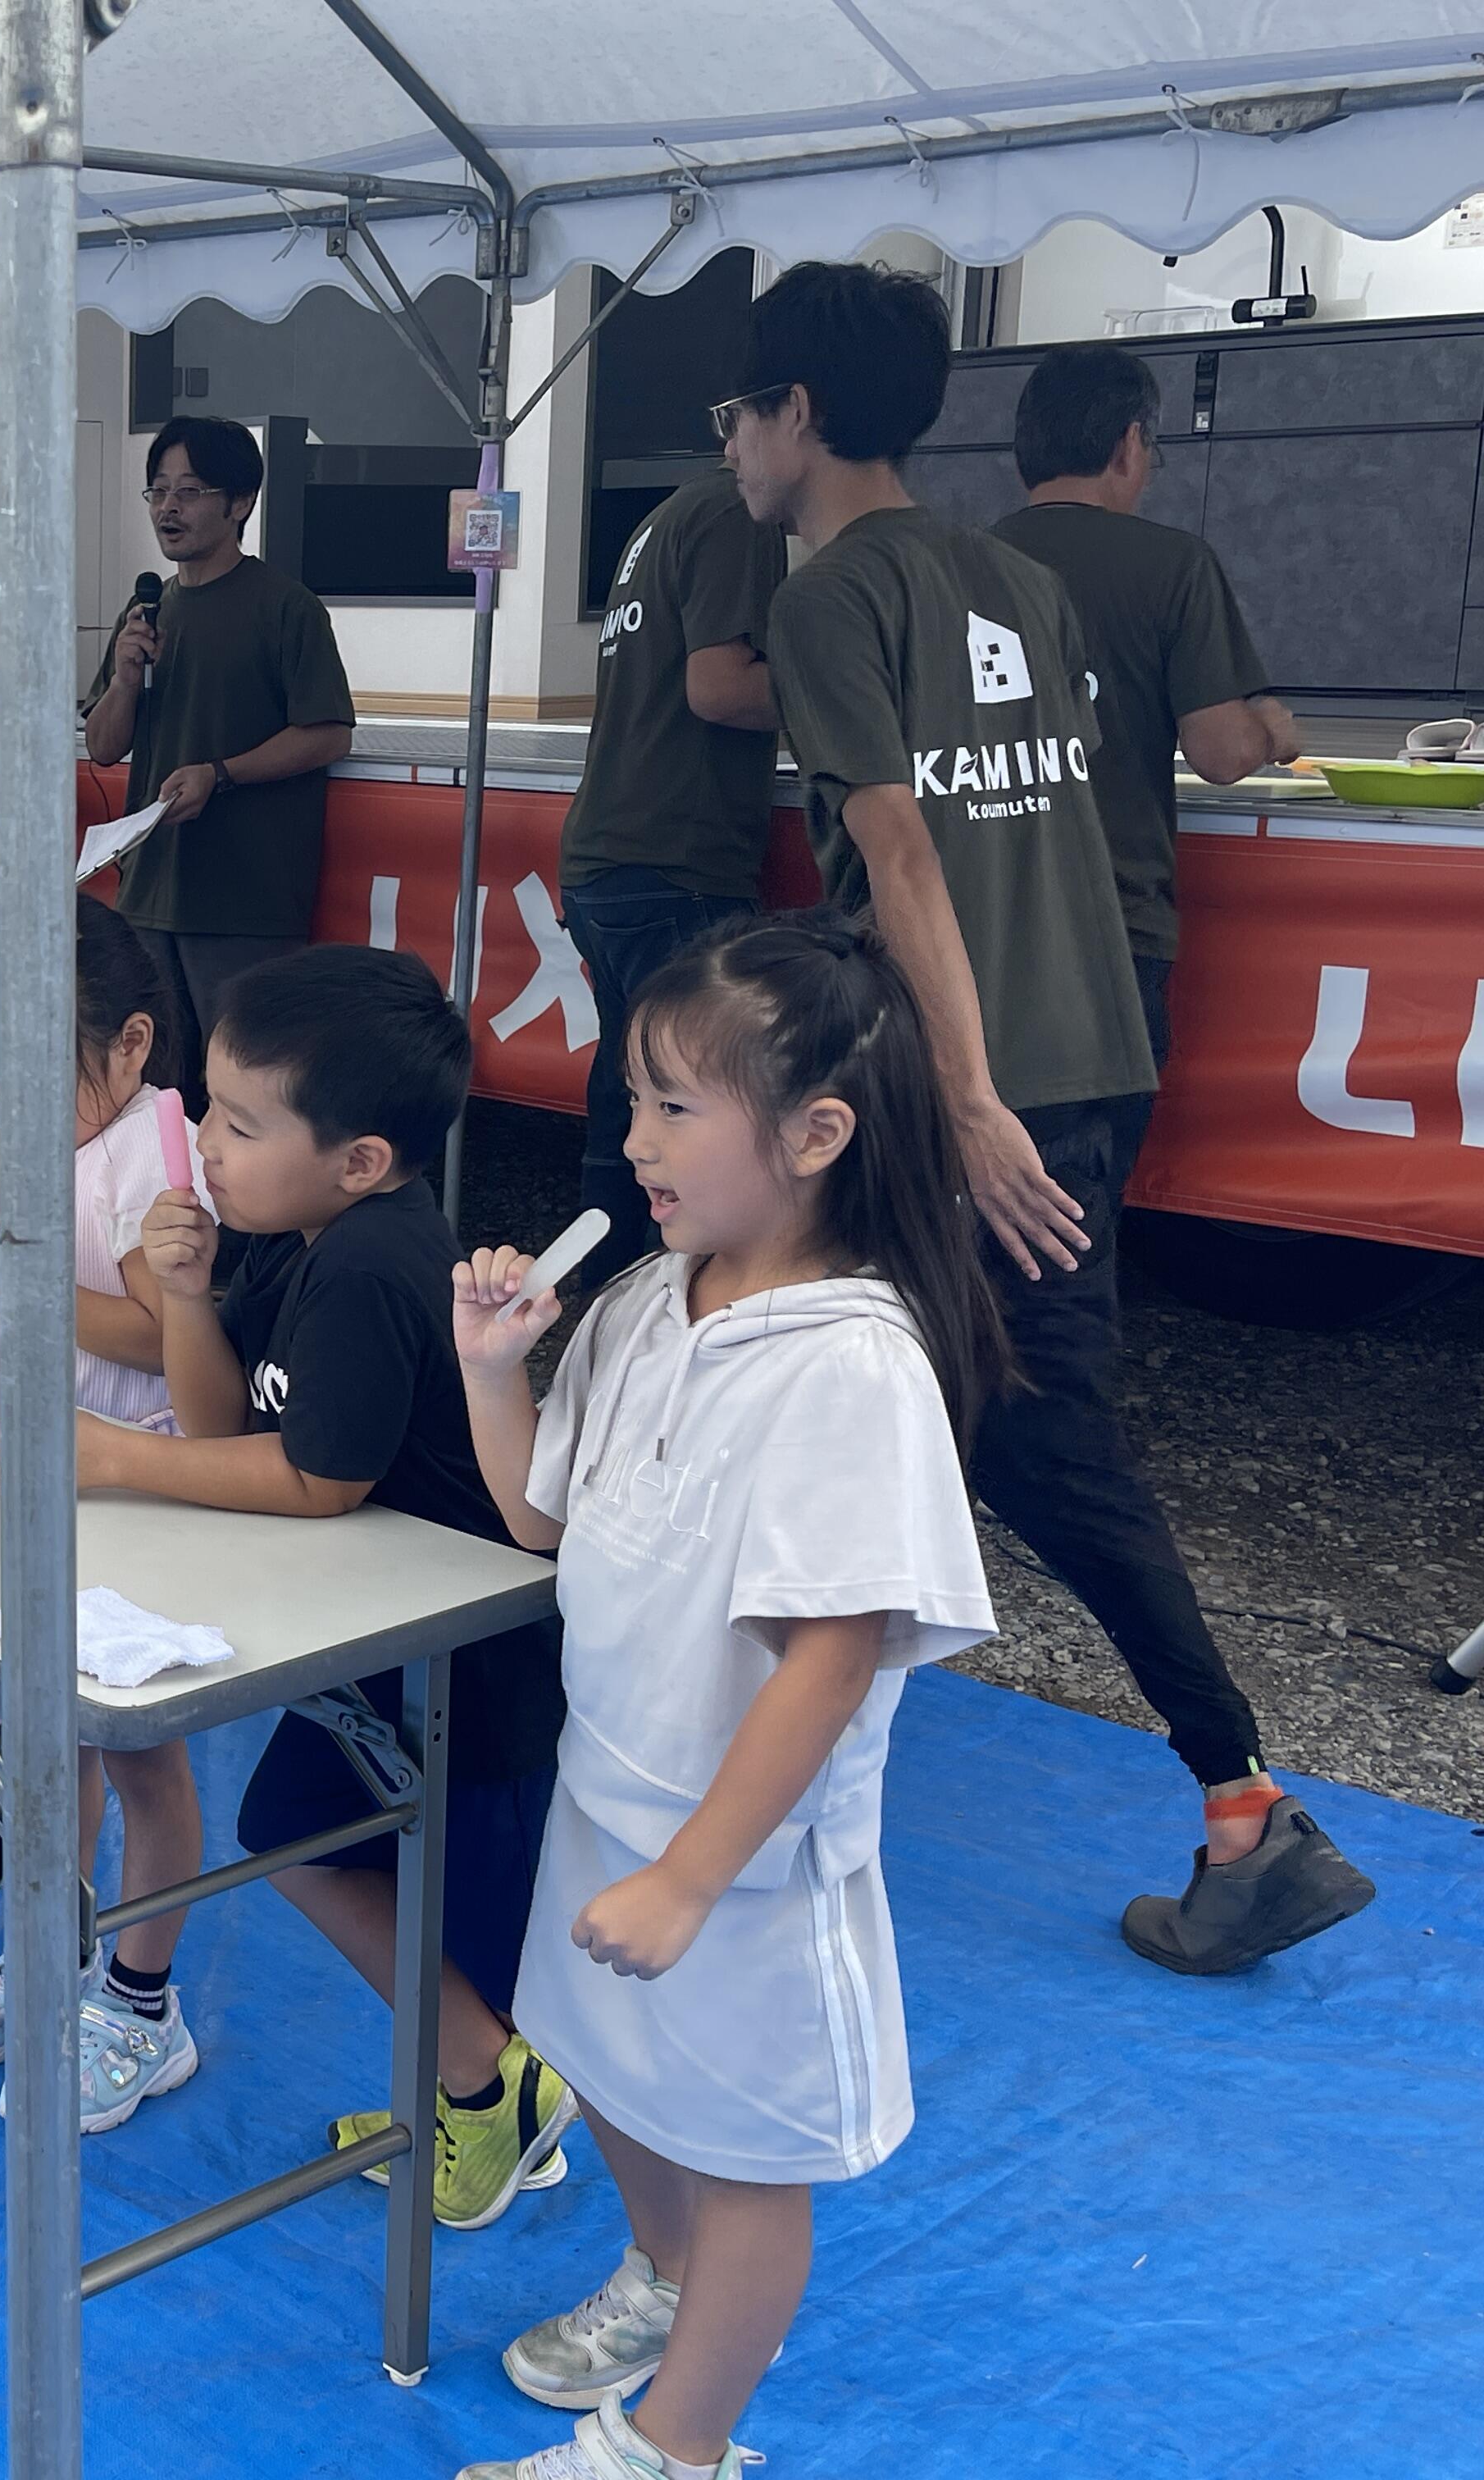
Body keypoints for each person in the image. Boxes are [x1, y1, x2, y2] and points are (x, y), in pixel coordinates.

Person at [724, 260, 1372, 1975]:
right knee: (889, 1390)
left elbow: (904, 846)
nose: (728, 445)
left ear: (797, 414)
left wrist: (964, 1098)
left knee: (1014, 1429)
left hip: (980, 1083)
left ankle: (1240, 1802)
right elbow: (1049, 827)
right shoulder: (1013, 579)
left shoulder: (830, 598)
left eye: (737, 411)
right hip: (1080, 1048)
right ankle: (789, 1732)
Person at [447, 914, 1002, 2480]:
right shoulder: (642, 1300)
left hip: (742, 1861)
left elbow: (831, 1653)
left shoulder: (851, 1366)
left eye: (675, 1105)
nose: (634, 1140)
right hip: (606, 1790)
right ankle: (660, 2270)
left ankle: (673, 2447)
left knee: (749, 2155)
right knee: (614, 2068)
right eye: (632, 1098)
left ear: (816, 1134)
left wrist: (693, 1875)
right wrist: (492, 1366)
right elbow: (538, 1517)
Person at [71, 945, 575, 2210]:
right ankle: (487, 2088)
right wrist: (187, 1294)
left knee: (450, 1904)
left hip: (469, 1657)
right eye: (209, 1110)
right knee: (304, 1836)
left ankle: (491, 2093)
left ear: (359, 1159)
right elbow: (228, 1421)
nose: (205, 1145)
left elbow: (317, 1478)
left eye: (241, 1126)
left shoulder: (369, 1263)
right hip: (377, 1633)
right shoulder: (297, 1237)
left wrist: (115, 1457)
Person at [0, 898, 212, 2133]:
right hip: (13, 1465)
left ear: (132, 1045)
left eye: (44, 1072)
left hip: (136, 1478)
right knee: (37, 1734)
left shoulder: (153, 1153)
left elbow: (164, 1339)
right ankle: (52, 1950)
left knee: (135, 1742)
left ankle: (141, 1999)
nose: (13, 1101)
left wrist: (13, 1280)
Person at [992, 342, 1302, 1178]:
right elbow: (1222, 753)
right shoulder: (1172, 565)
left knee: (970, 1190)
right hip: (1111, 930)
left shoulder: (955, 565)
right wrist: (1272, 728)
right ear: (1130, 445)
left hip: (976, 928)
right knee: (1075, 1206)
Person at [82, 413, 354, 1087]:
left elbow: (328, 732)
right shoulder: (145, 613)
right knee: (149, 1089)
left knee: (244, 1085)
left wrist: (221, 774)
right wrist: (124, 679)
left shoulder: (286, 608)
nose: (167, 508)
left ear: (240, 503)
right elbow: (104, 747)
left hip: (244, 901)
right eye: (158, 491)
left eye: (189, 491)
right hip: (148, 893)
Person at [558, 468, 785, 1274]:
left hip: (610, 853)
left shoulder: (666, 517)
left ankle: (605, 1280)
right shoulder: (735, 513)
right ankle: (682, 1285)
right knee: (695, 1084)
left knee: (630, 1072)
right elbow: (718, 689)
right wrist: (857, 682)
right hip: (677, 853)